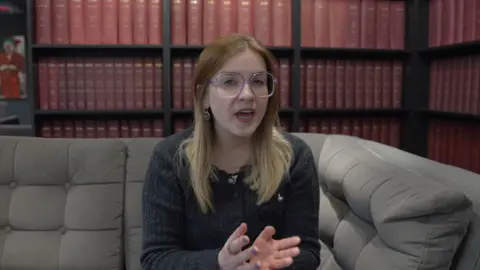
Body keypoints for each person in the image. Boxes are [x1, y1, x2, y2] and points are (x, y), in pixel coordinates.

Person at [141, 34, 320, 270]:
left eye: (258, 81)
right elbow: (156, 260)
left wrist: (269, 265)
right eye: (229, 82)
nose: (247, 95)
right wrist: (219, 262)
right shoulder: (169, 159)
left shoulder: (295, 157)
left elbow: (308, 251)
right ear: (203, 96)